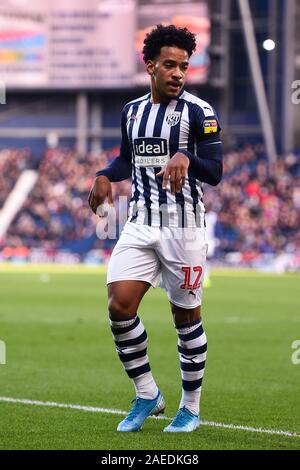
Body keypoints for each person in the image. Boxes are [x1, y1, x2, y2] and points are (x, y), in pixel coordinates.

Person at [89, 24, 223, 433]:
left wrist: (187, 157)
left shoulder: (200, 112)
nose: (179, 73)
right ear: (150, 66)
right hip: (140, 222)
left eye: (184, 66)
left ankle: (191, 407)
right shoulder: (132, 111)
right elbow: (126, 160)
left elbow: (215, 172)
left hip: (183, 229)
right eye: (170, 65)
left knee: (186, 319)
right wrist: (104, 176)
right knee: (119, 306)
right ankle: (147, 393)